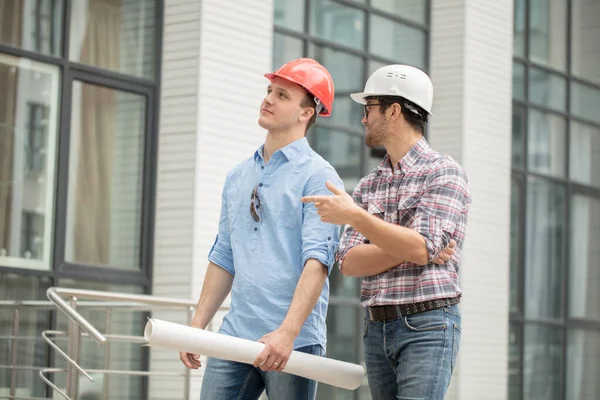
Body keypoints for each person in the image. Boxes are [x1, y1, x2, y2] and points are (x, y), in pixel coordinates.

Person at [302, 64, 471, 400]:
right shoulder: (368, 185)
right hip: (377, 327)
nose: (363, 119)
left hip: (428, 324)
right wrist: (411, 245)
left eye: (369, 109)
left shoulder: (443, 172)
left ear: (394, 111)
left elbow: (421, 248)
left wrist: (357, 218)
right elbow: (349, 263)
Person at [179, 58, 343, 399]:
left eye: (282, 95)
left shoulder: (319, 177)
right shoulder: (239, 175)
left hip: (292, 342)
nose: (267, 99)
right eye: (269, 90)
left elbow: (318, 263)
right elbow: (224, 255)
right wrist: (197, 325)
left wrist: (288, 332)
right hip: (235, 334)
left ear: (305, 113)